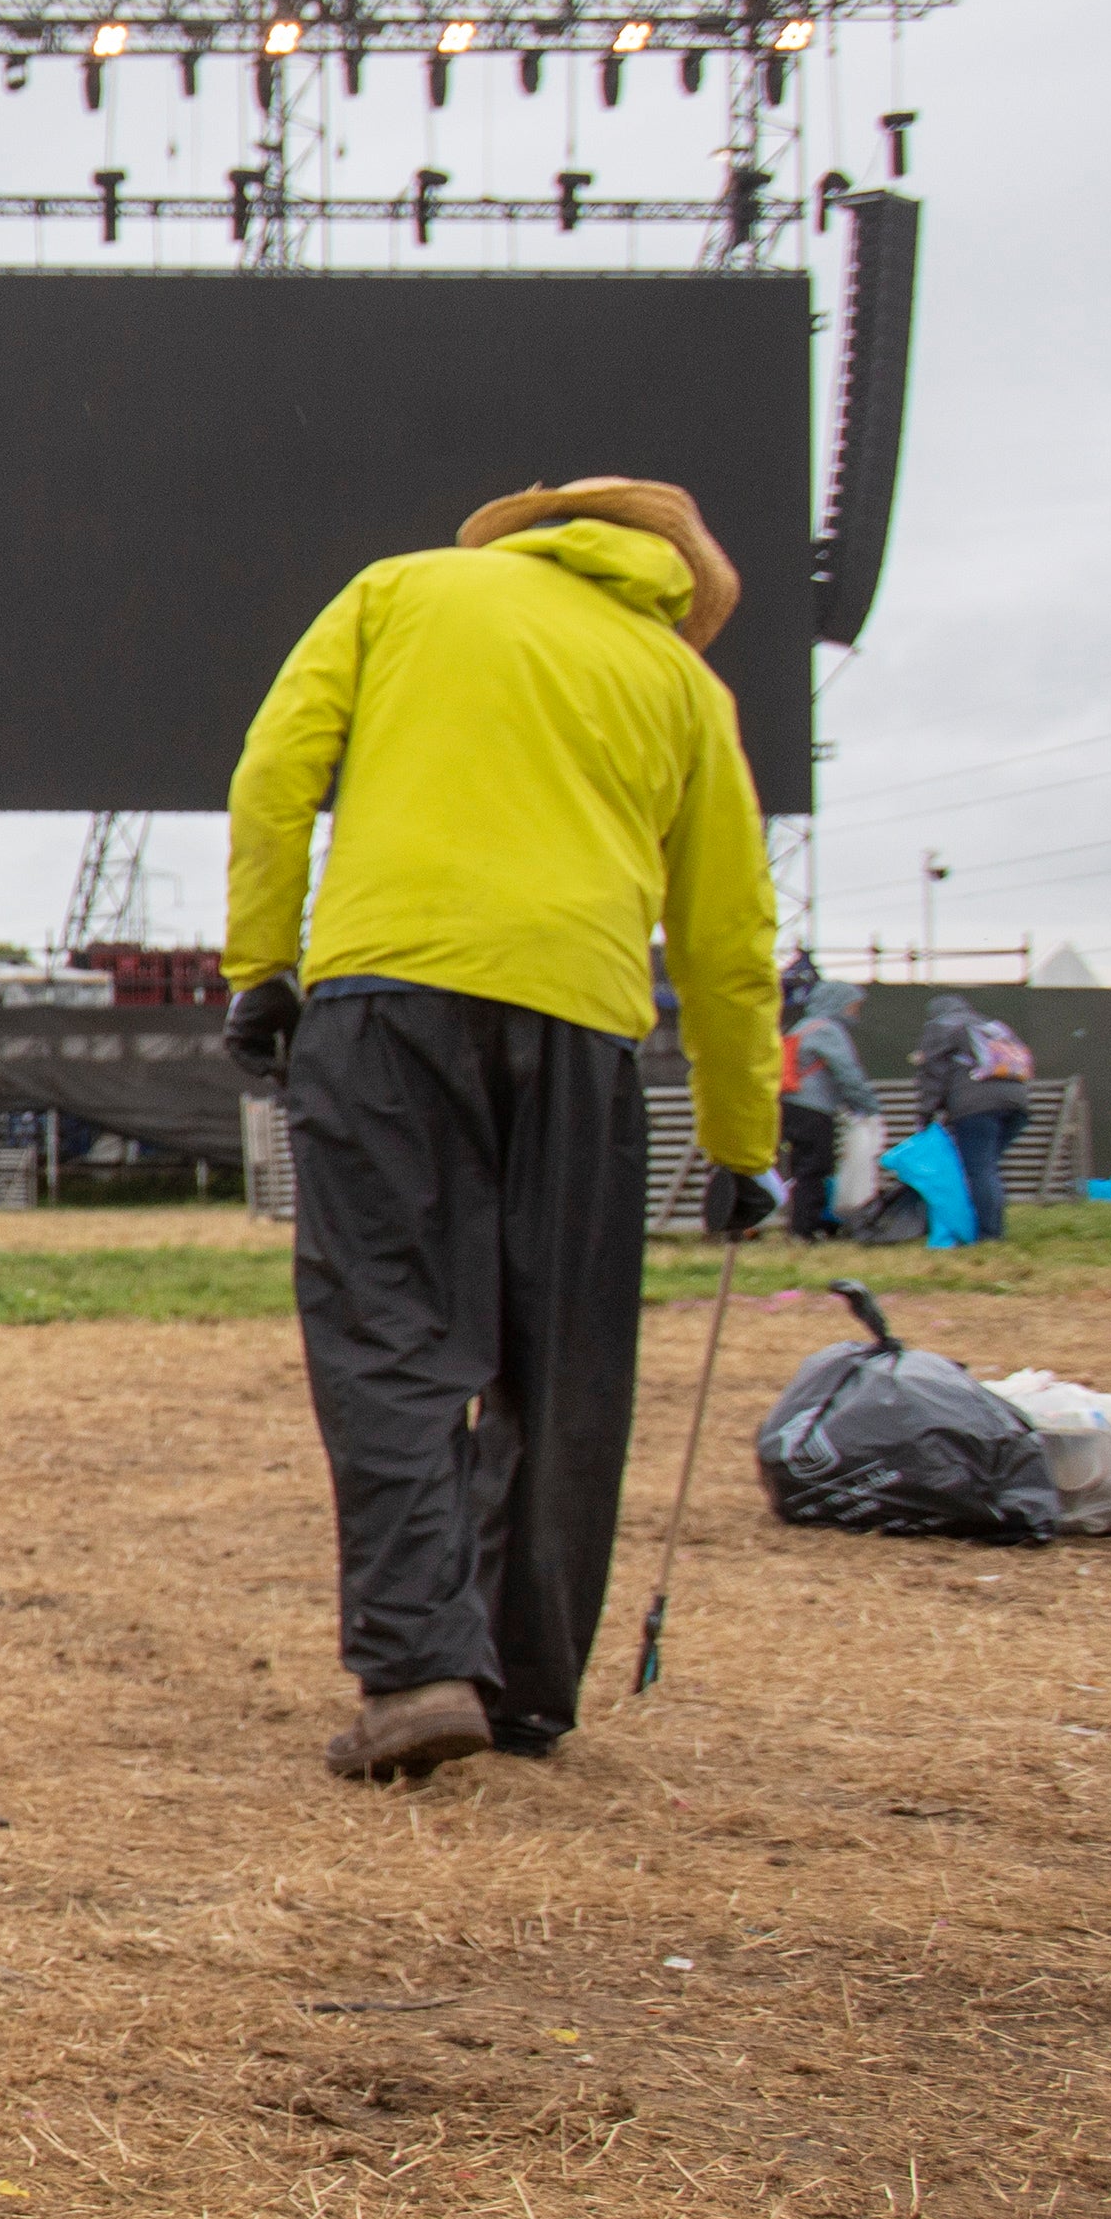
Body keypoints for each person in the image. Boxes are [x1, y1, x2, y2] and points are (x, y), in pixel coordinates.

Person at [223, 477, 778, 1785]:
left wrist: (261, 965)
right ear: (675, 581)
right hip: (584, 1023)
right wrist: (743, 1141)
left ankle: (419, 1671)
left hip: (384, 1003)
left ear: (530, 531)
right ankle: (525, 1686)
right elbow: (727, 937)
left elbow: (274, 773)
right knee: (561, 1360)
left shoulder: (401, 589)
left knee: (390, 1332)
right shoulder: (686, 686)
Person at [912, 996, 1032, 1240]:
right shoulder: (992, 1026)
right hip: (1017, 1104)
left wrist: (925, 1113)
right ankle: (984, 1225)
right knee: (985, 1168)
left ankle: (988, 1234)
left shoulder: (942, 1026)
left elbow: (934, 1074)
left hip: (977, 1107)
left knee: (979, 1169)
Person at [779, 993, 871, 1241]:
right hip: (813, 1108)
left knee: (803, 1168)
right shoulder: (827, 1030)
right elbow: (847, 1071)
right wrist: (867, 1105)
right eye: (852, 1007)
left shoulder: (803, 1026)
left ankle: (803, 1224)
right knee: (815, 1167)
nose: (854, 1014)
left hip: (790, 1105)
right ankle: (806, 1229)